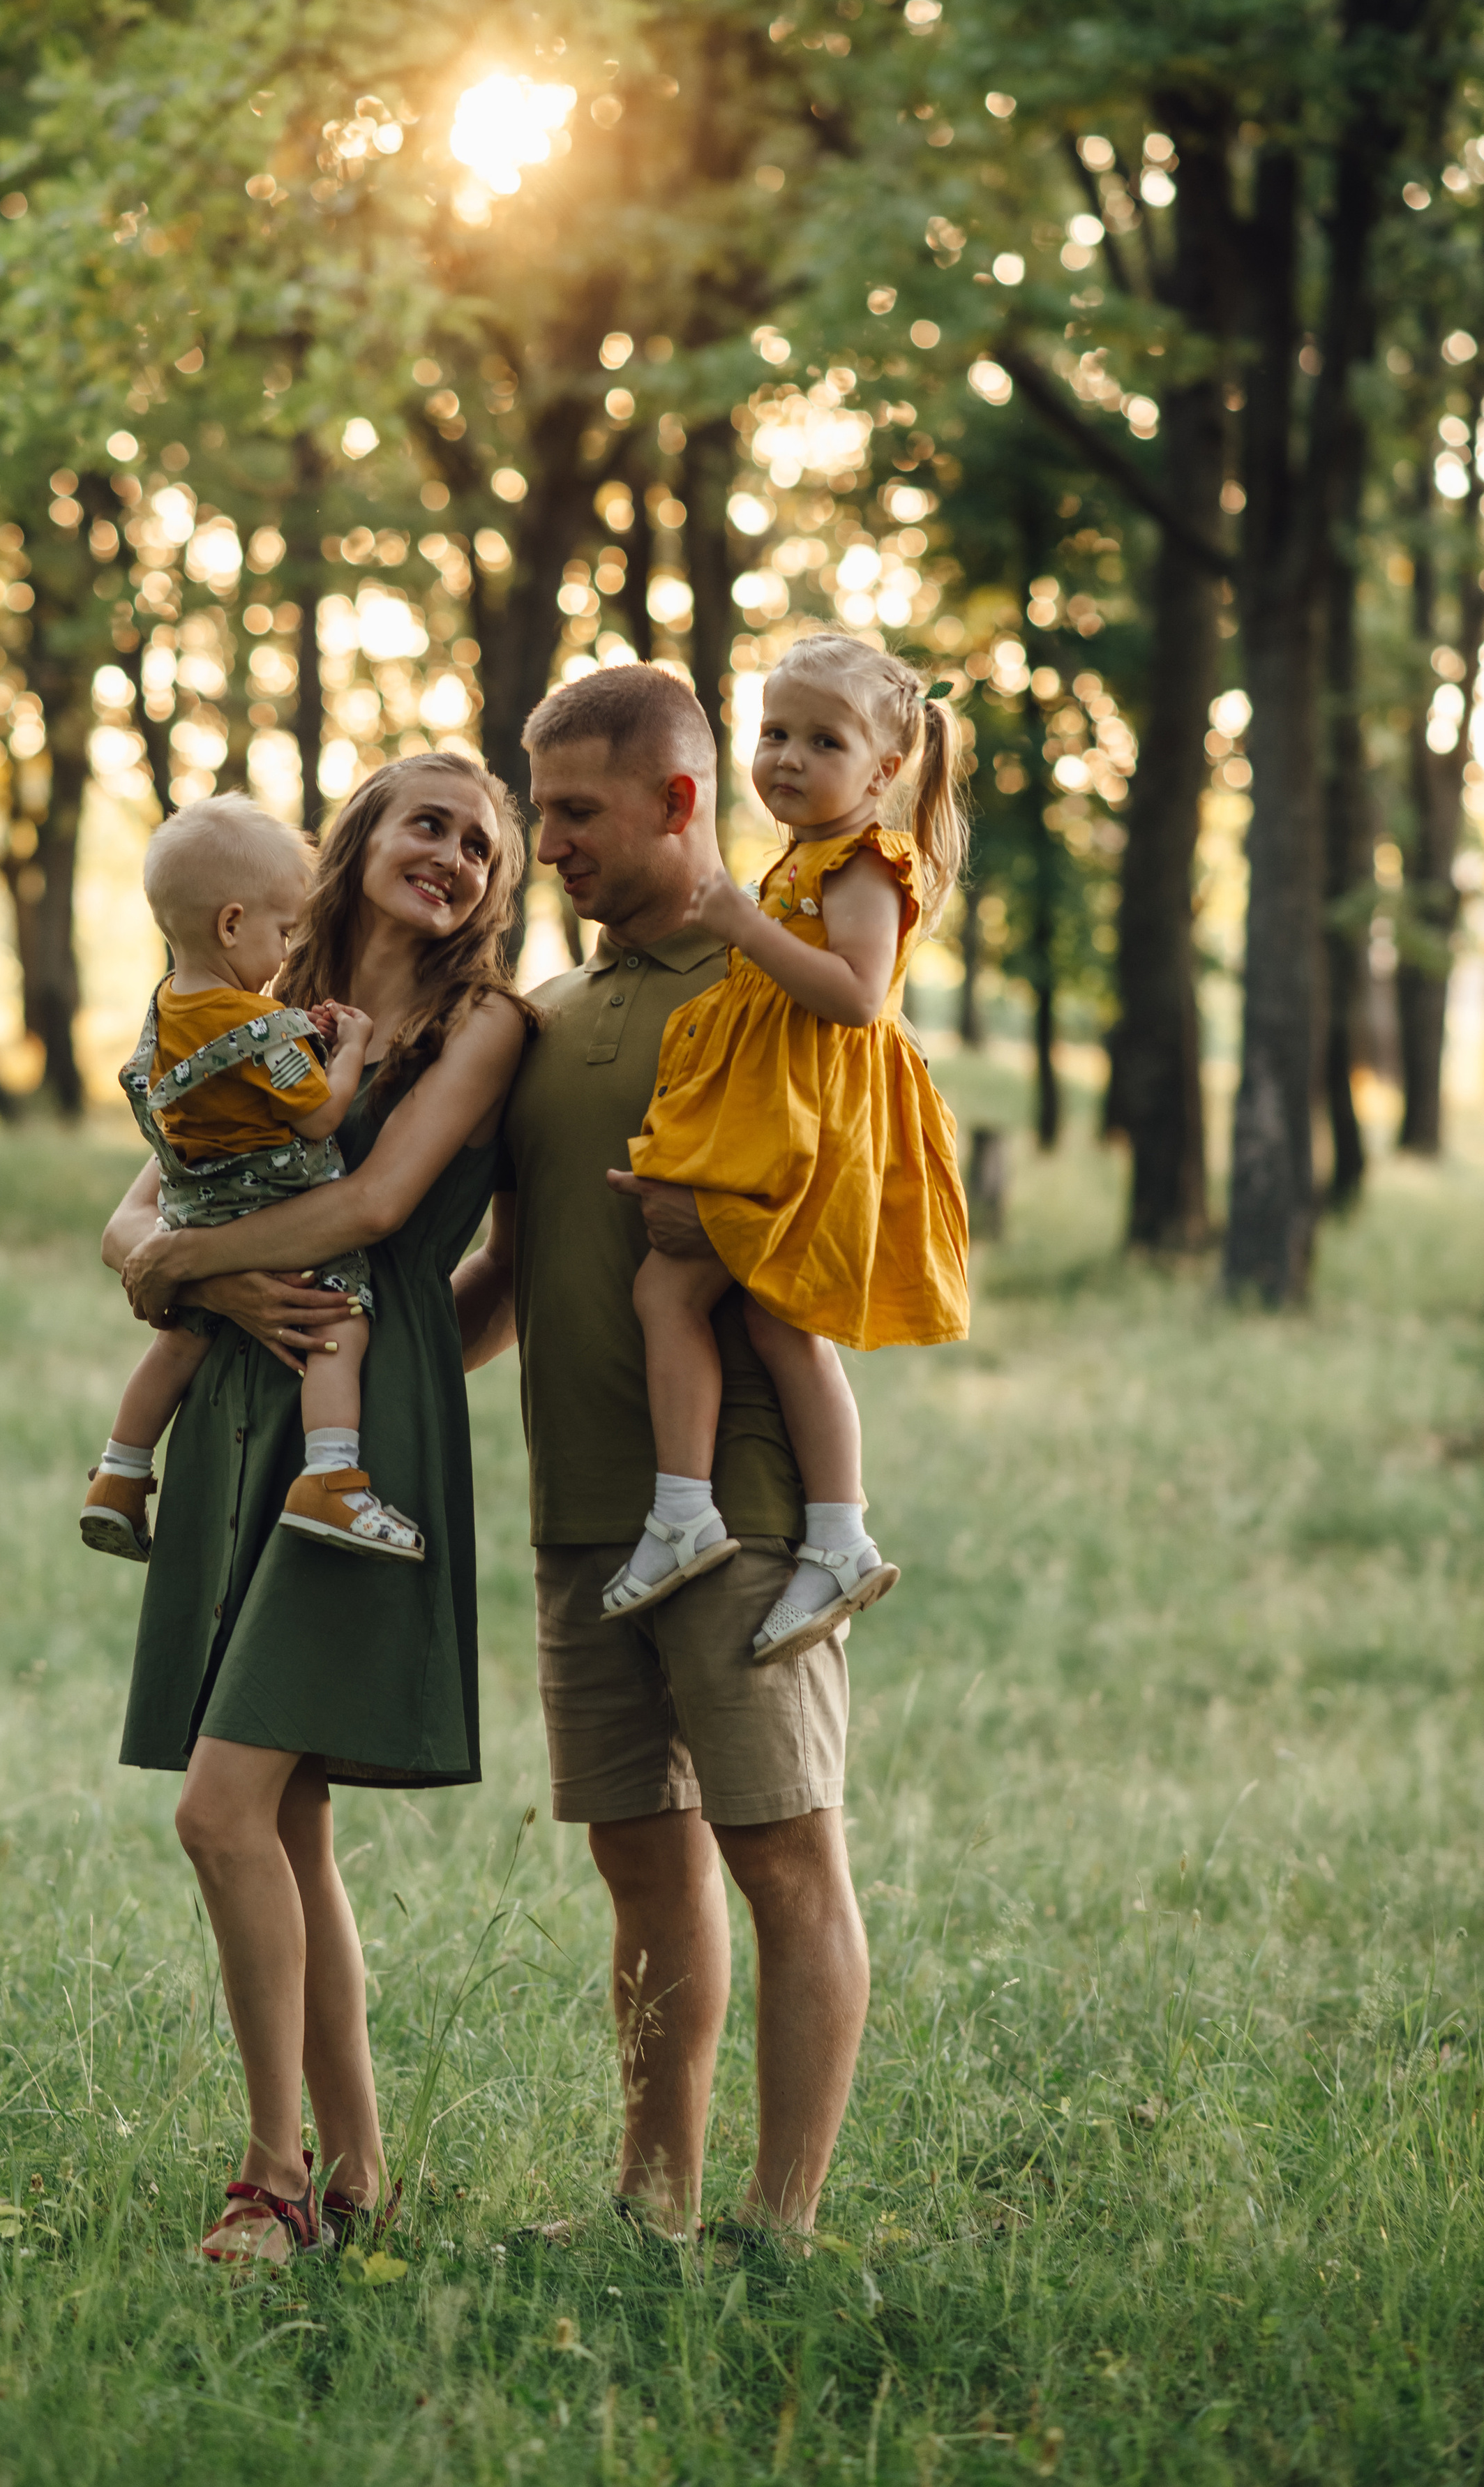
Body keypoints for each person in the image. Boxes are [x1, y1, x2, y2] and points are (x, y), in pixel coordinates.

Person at [451, 662, 880, 2239]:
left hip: (750, 1512)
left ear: (675, 801)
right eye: (537, 808)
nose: (542, 840)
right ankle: (651, 2202)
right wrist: (344, 1361)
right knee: (641, 1861)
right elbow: (505, 1275)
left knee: (782, 1856)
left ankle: (778, 2226)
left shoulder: (781, 979)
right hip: (588, 1518)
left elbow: (859, 1218)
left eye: (572, 810)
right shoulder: (542, 1023)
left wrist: (742, 1232)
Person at [100, 756, 532, 2263]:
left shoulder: (484, 1026)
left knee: (218, 1812)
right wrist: (156, 1259)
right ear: (357, 840)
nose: (457, 857)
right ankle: (352, 2175)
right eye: (431, 823)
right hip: (240, 1398)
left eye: (485, 846)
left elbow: (370, 1210)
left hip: (363, 1414)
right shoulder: (244, 996)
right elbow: (142, 1192)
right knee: (284, 1818)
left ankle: (268, 2176)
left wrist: (186, 1268)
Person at [606, 633, 970, 1664]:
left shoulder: (865, 862)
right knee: (759, 1322)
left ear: (885, 771)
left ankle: (706, 1516)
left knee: (693, 1300)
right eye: (773, 734)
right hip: (779, 1118)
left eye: (823, 739)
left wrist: (737, 920)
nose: (787, 758)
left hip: (820, 1128)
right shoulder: (804, 859)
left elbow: (855, 997)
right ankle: (822, 1532)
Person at [81, 793, 421, 1570]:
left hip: (196, 1210)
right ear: (232, 925)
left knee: (176, 1343)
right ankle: (332, 1476)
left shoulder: (165, 1010)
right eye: (282, 931)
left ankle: (121, 1475)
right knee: (340, 1319)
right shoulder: (264, 1029)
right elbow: (320, 1119)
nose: (286, 947)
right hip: (280, 1205)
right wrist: (348, 1046)